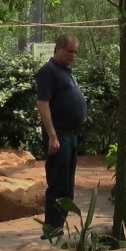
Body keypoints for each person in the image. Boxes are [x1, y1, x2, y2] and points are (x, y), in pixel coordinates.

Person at [35, 34, 86, 236]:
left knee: (67, 188)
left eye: (75, 52)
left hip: (71, 136)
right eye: (69, 51)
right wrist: (52, 136)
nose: (73, 55)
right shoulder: (49, 71)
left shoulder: (66, 71)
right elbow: (43, 104)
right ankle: (52, 231)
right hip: (59, 137)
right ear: (58, 49)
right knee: (58, 186)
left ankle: (58, 229)